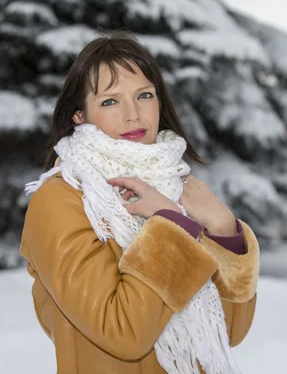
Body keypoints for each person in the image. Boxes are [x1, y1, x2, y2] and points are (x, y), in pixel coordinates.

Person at [20, 32, 259, 374]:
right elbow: (123, 333)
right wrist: (172, 226)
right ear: (79, 116)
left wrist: (222, 231)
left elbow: (226, 334)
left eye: (144, 95)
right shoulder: (60, 200)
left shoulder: (177, 187)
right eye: (110, 101)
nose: (133, 114)